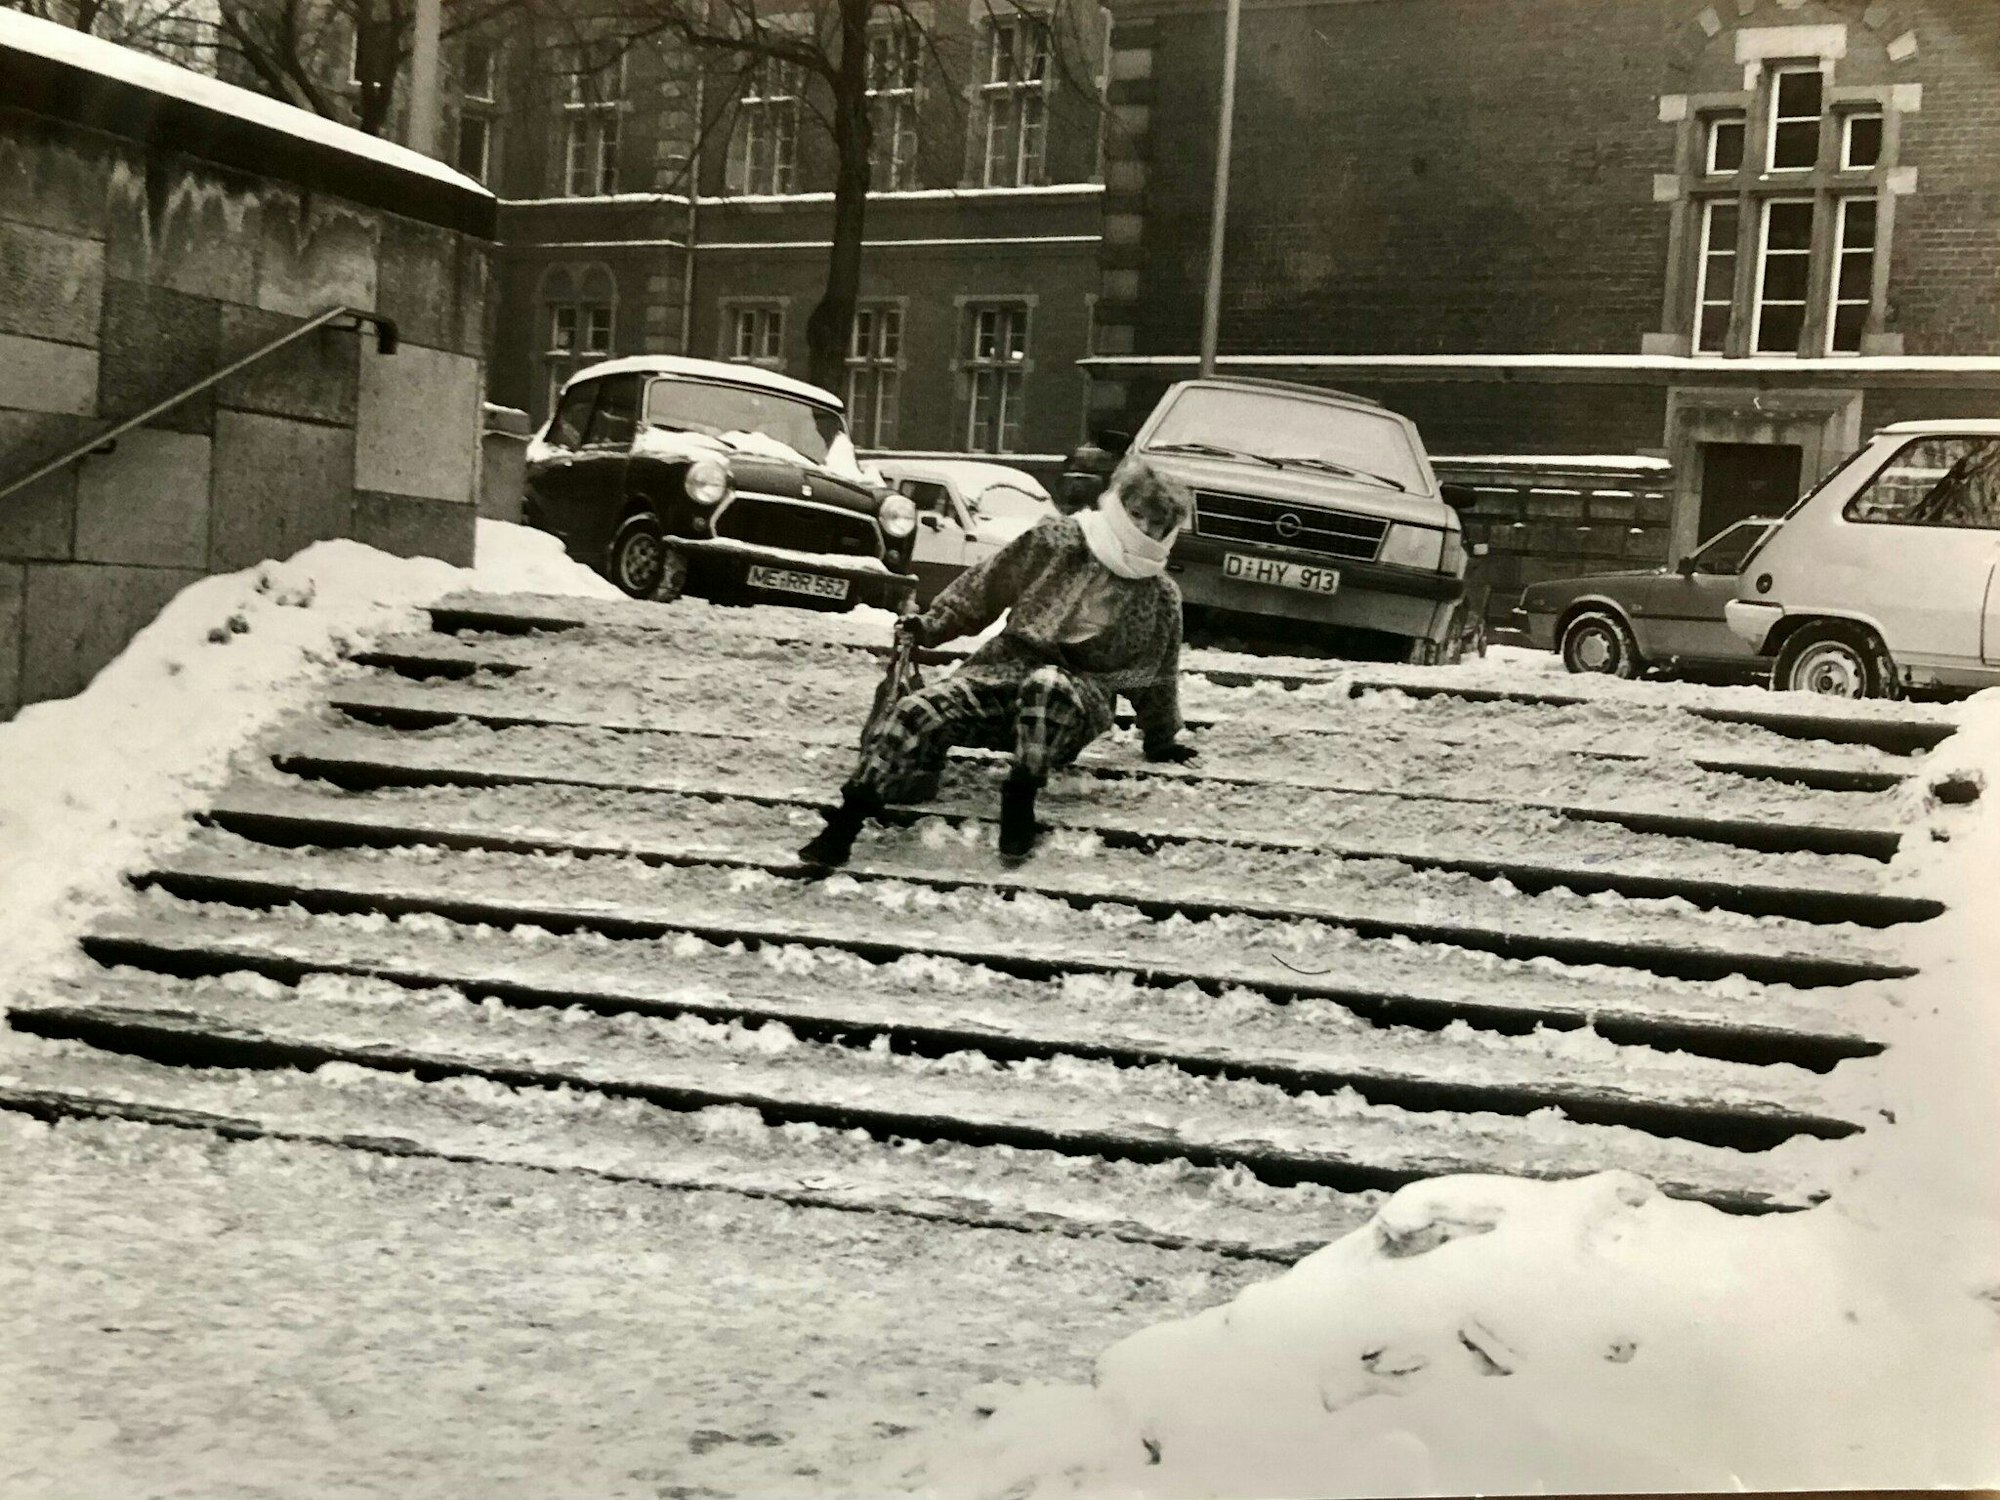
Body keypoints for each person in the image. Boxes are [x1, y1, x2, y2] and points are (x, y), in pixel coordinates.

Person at [799, 458, 1198, 868]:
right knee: (918, 709)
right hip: (1003, 672)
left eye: (1158, 525)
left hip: (1074, 702)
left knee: (1049, 686)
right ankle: (844, 826)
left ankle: (1019, 800)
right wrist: (931, 627)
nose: (1145, 531)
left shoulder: (1160, 594)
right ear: (1119, 505)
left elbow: (1157, 673)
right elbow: (986, 586)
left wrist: (1162, 737)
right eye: (1138, 516)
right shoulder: (1057, 539)